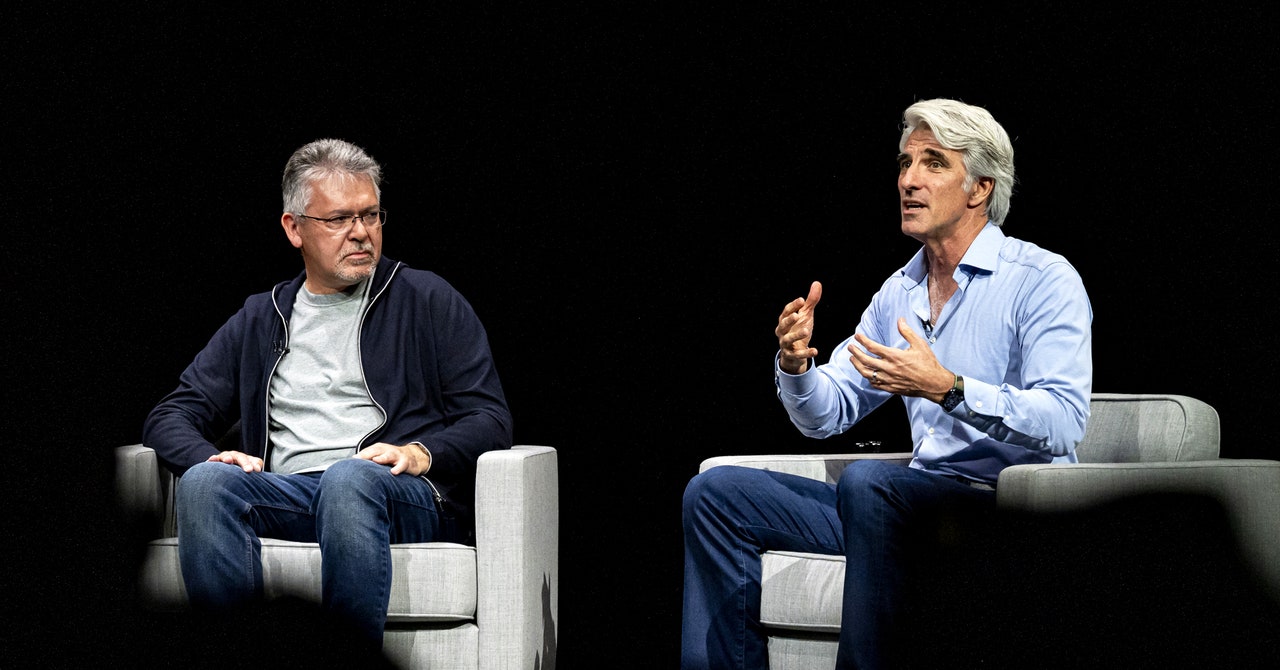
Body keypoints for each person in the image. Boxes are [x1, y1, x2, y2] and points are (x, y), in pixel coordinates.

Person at [681, 99, 1092, 669]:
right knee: (715, 493)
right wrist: (796, 366)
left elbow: (1064, 421)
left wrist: (948, 388)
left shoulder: (1041, 280)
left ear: (980, 189)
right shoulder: (900, 292)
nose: (909, 180)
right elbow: (828, 413)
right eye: (904, 163)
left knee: (871, 483)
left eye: (933, 163)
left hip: (1002, 508)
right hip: (906, 506)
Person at [143, 138, 512, 650]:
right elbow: (170, 414)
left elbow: (489, 417)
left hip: (396, 493)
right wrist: (210, 456)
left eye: (371, 215)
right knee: (206, 484)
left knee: (349, 478)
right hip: (293, 493)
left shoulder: (426, 298)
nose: (361, 232)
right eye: (339, 219)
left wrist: (420, 453)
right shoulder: (262, 317)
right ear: (294, 228)